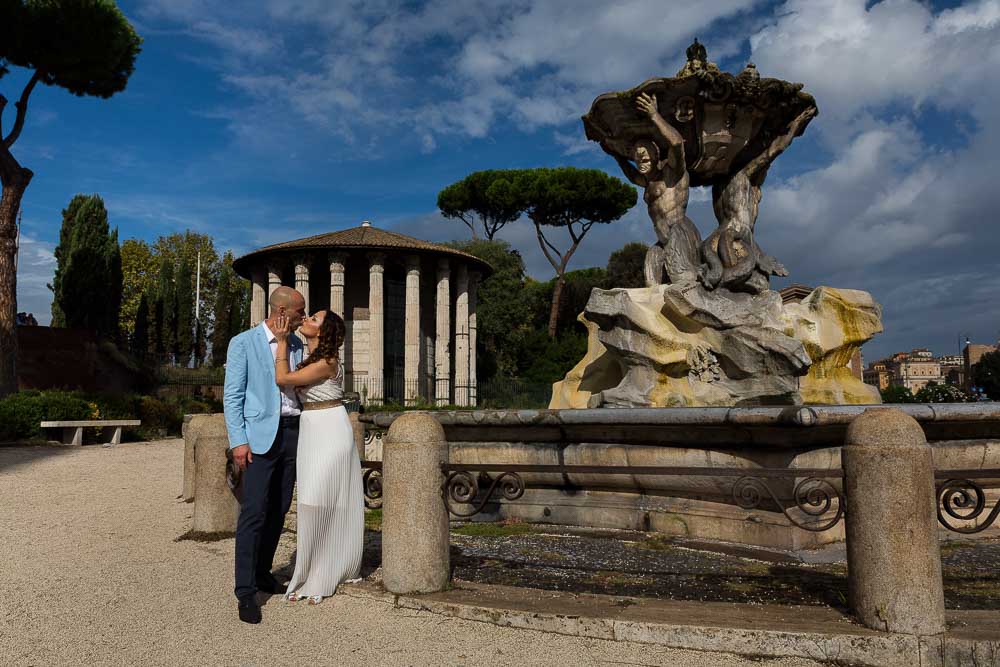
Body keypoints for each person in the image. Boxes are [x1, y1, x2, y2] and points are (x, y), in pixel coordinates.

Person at [223, 286, 306, 624]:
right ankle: (245, 591)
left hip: (293, 433)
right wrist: (238, 442)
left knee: (279, 508)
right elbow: (233, 397)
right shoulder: (243, 342)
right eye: (300, 311)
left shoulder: (298, 344)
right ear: (282, 312)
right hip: (257, 438)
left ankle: (262, 573)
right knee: (254, 512)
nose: (303, 316)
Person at [273, 309, 363, 604]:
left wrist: (282, 340)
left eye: (314, 319)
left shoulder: (327, 362)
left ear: (323, 332)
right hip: (310, 430)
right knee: (310, 499)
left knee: (325, 498)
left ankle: (323, 574)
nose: (307, 319)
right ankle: (309, 569)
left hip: (331, 429)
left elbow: (283, 378)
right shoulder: (310, 358)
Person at [610, 92, 703, 286]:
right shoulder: (648, 182)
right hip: (662, 240)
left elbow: (677, 143)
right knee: (651, 278)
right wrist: (615, 155)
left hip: (680, 232)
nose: (639, 162)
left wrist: (654, 115)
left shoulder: (673, 173)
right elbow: (632, 175)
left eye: (643, 158)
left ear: (655, 155)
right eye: (636, 159)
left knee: (684, 284)